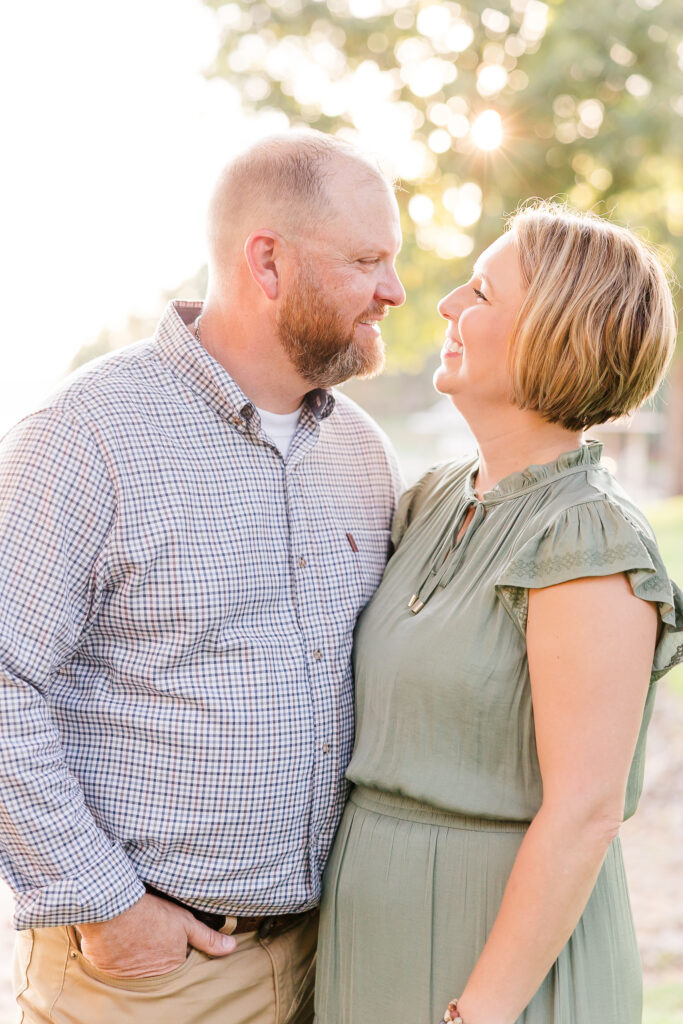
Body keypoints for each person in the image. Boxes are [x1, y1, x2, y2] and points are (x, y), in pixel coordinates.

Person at [0, 130, 405, 1024]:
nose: (394, 290)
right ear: (267, 262)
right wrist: (104, 906)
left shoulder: (362, 455)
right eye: (368, 260)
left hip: (326, 962)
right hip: (149, 976)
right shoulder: (86, 434)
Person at [314, 201, 683, 1024]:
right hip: (369, 943)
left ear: (552, 333)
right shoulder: (434, 500)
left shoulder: (587, 538)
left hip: (491, 966)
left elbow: (584, 812)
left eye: (480, 293)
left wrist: (479, 1011)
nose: (443, 304)